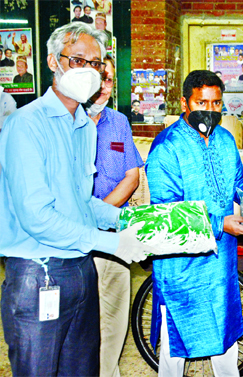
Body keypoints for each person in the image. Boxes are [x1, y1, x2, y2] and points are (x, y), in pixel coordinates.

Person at [0, 22, 152, 377]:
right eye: (78, 60)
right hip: (39, 272)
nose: (89, 71)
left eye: (96, 64)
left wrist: (131, 222)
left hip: (80, 268)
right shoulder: (26, 125)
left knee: (83, 369)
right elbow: (36, 216)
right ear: (54, 62)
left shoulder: (83, 126)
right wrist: (111, 243)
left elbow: (81, 201)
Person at [145, 70, 243, 377]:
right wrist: (221, 224)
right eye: (201, 102)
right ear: (184, 103)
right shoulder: (167, 147)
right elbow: (168, 214)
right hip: (182, 266)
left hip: (220, 264)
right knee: (174, 348)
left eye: (216, 103)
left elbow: (238, 184)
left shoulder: (225, 139)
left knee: (226, 340)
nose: (210, 110)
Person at [87, 56, 144, 377]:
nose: (105, 87)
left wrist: (101, 215)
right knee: (81, 319)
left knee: (114, 315)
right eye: (100, 79)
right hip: (73, 237)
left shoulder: (119, 121)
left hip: (112, 234)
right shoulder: (64, 122)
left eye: (110, 80)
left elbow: (132, 176)